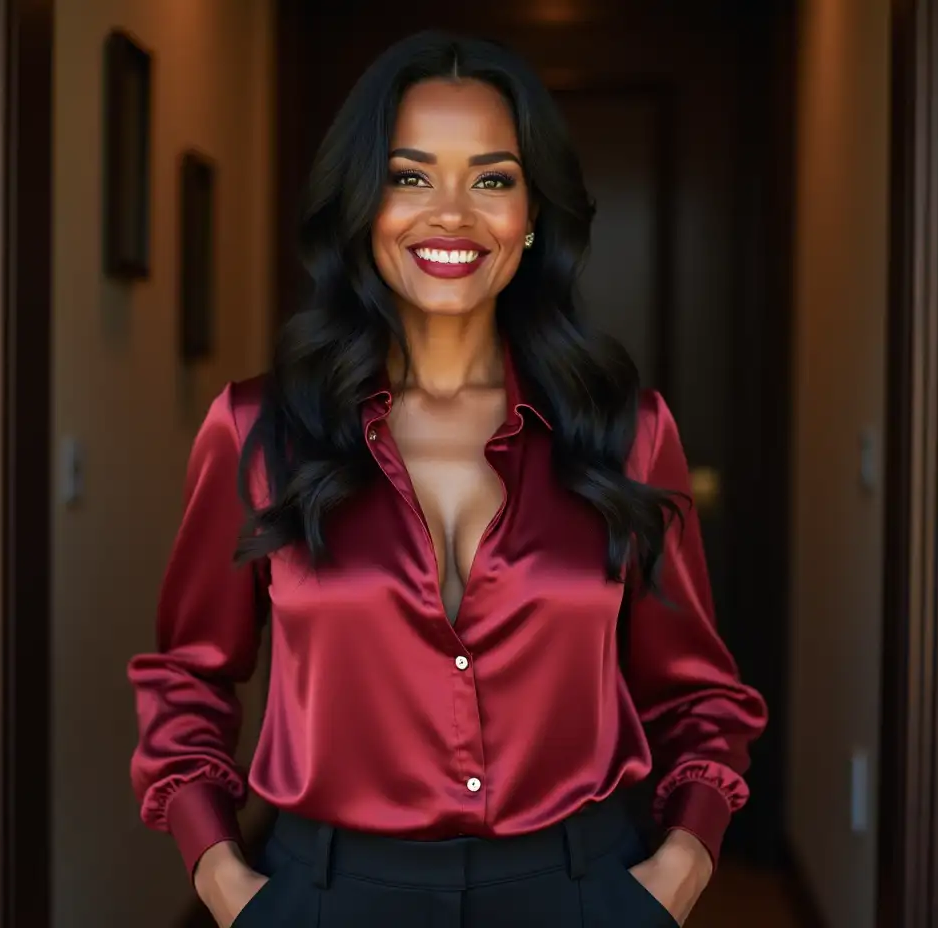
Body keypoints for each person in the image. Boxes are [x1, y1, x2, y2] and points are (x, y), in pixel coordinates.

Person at [127, 30, 767, 928]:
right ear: (362, 203)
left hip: (582, 889)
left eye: (493, 179)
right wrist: (224, 879)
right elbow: (187, 677)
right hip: (328, 894)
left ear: (533, 213)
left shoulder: (629, 434)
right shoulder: (258, 434)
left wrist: (683, 868)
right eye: (410, 175)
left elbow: (699, 695)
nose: (453, 214)